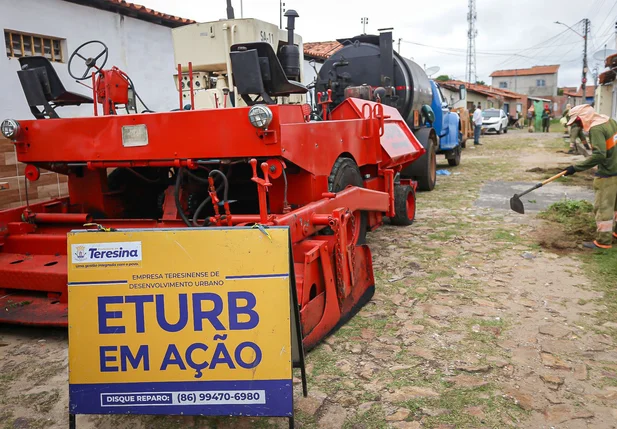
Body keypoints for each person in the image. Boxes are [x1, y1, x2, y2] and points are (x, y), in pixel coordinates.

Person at [563, 104, 617, 249]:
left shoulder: (596, 129)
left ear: (583, 117)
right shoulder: (609, 121)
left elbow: (599, 155)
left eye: (577, 121)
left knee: (603, 207)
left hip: (607, 173)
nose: (577, 124)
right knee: (616, 206)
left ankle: (603, 241)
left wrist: (575, 168)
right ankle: (615, 232)